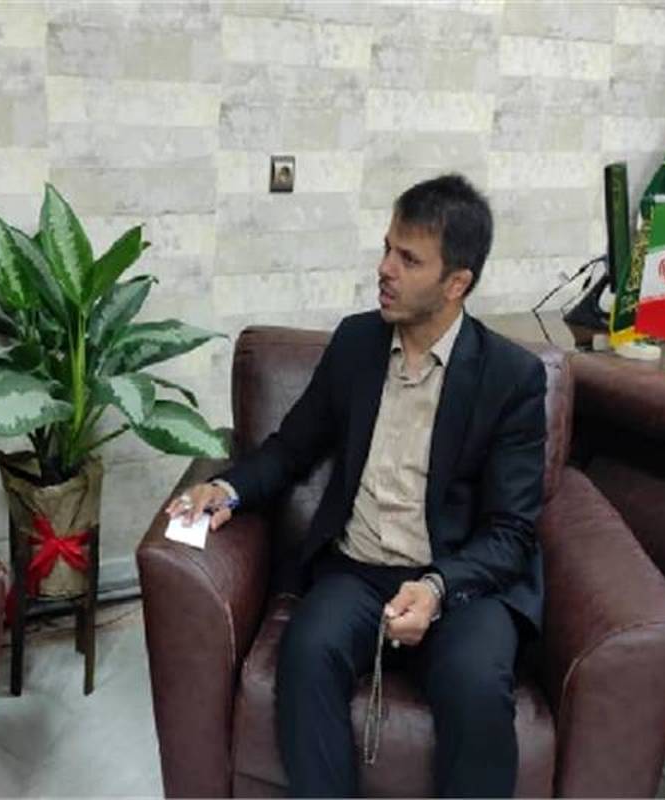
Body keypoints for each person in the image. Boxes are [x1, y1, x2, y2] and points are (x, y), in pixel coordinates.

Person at [168, 174, 547, 797]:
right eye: (387, 248)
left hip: (460, 583)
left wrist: (436, 588)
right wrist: (228, 490)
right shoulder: (357, 343)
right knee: (306, 652)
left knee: (476, 685)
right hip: (358, 570)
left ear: (456, 283)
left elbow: (510, 532)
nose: (384, 269)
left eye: (409, 259)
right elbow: (291, 448)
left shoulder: (511, 378)